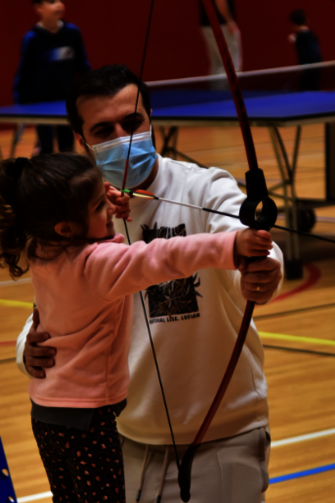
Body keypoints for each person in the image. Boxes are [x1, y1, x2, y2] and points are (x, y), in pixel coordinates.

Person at [17, 65, 284, 503]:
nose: (123, 136)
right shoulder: (74, 216)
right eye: (104, 129)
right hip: (122, 438)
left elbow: (242, 236)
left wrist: (262, 266)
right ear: (82, 141)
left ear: (151, 118)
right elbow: (52, 302)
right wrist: (27, 346)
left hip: (222, 432)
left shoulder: (204, 186)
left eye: (132, 122)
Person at [13, 0, 91, 154]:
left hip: (66, 99)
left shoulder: (72, 32)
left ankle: (67, 176)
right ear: (39, 8)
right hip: (41, 103)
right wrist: (19, 103)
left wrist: (90, 89)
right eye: (51, 1)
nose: (58, 5)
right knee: (46, 147)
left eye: (59, 1)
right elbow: (23, 73)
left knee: (67, 147)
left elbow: (83, 65)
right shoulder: (31, 39)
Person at [199, 0, 242, 80]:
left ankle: (217, 91)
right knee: (230, 65)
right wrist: (228, 20)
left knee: (218, 65)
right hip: (221, 26)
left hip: (209, 25)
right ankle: (226, 92)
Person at [288, 9, 323, 91]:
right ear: (307, 21)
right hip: (317, 68)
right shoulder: (312, 35)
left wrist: (301, 68)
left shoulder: (299, 38)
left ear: (293, 24)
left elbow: (303, 54)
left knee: (306, 92)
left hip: (307, 71)